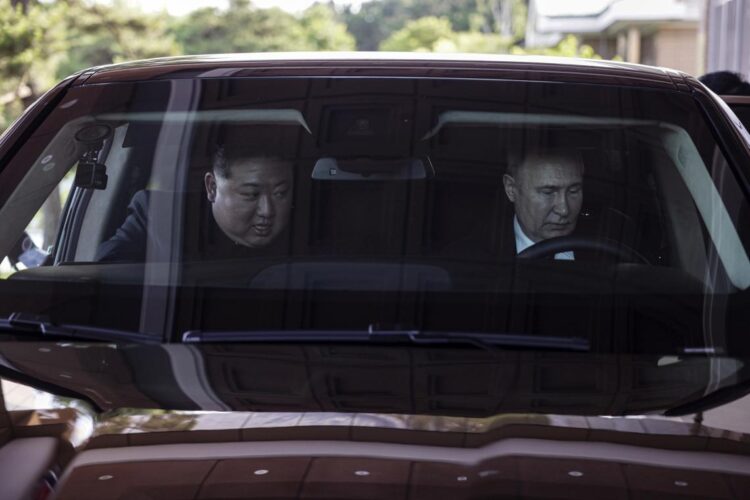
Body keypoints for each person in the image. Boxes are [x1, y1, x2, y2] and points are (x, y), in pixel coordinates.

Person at [96, 146, 294, 262]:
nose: (267, 210)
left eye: (280, 193)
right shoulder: (159, 217)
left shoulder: (310, 230)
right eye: (251, 194)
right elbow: (104, 269)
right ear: (212, 187)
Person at [501, 150, 584, 259]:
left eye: (573, 191)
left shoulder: (603, 247)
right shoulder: (476, 250)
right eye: (548, 192)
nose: (564, 210)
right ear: (511, 189)